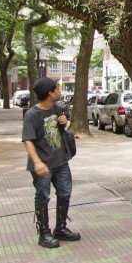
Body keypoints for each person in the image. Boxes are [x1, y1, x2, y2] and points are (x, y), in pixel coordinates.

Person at [22, 77, 80, 249]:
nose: (59, 91)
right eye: (57, 88)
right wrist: (37, 162)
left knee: (64, 193)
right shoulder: (32, 114)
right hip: (43, 165)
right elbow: (27, 140)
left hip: (60, 161)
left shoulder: (56, 108)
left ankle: (60, 228)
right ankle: (44, 233)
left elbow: (59, 129)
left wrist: (64, 122)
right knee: (43, 197)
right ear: (50, 92)